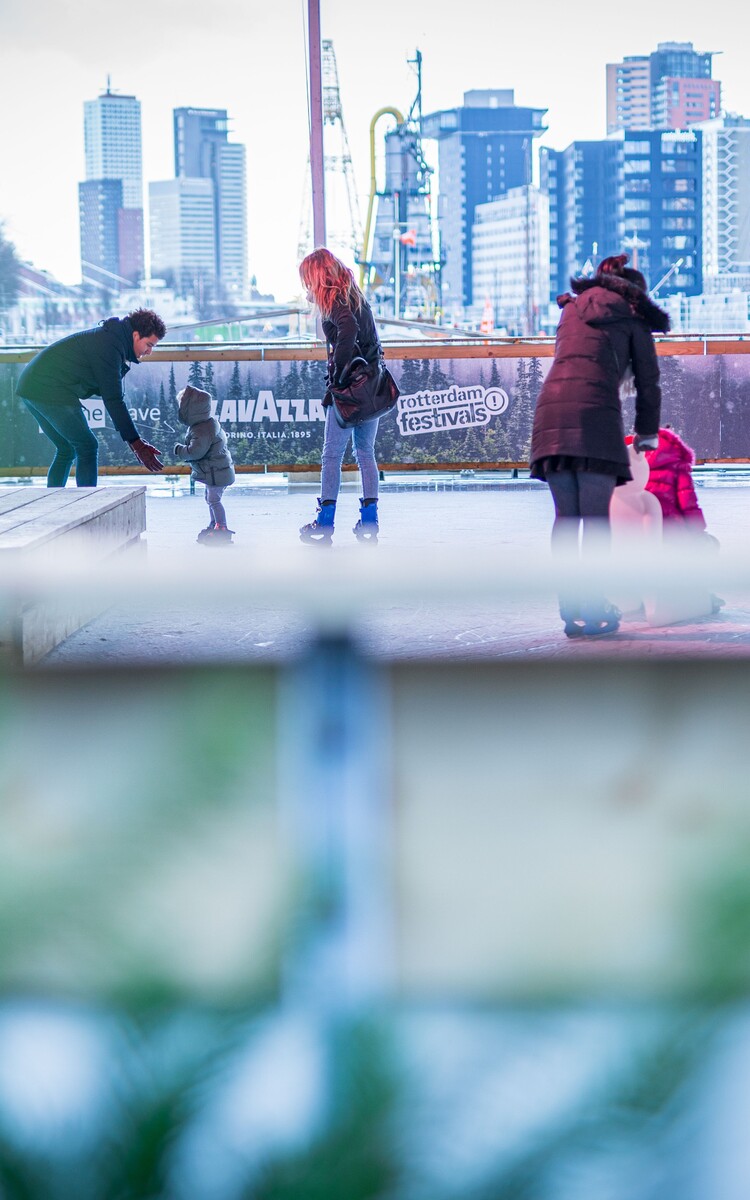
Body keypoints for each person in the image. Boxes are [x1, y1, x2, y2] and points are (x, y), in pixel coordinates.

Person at [529, 253, 670, 638]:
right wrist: (646, 434)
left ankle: (570, 602)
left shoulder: (571, 310)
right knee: (594, 520)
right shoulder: (632, 318)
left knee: (566, 517)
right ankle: (592, 604)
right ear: (636, 294)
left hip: (551, 415)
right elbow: (649, 383)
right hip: (594, 418)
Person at [16, 308, 166, 487]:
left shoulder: (112, 339)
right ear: (135, 336)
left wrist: (136, 443)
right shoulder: (110, 346)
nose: (149, 352)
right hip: (48, 388)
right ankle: (87, 504)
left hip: (32, 385)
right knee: (87, 446)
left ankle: (52, 499)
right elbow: (113, 400)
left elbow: (110, 394)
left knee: (67, 449)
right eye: (149, 345)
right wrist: (137, 444)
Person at [298, 247, 384, 544]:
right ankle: (370, 521)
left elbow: (346, 328)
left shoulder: (335, 302)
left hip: (349, 389)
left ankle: (324, 523)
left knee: (331, 455)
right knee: (365, 453)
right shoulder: (354, 295)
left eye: (308, 280)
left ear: (318, 276)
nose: (307, 287)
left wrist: (339, 373)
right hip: (371, 386)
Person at [173, 383, 236, 545]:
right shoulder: (205, 424)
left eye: (182, 405)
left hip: (216, 472)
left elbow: (196, 452)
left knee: (214, 500)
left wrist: (180, 450)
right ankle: (214, 524)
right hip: (215, 471)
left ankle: (221, 527)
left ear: (191, 408)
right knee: (210, 499)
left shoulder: (202, 429)